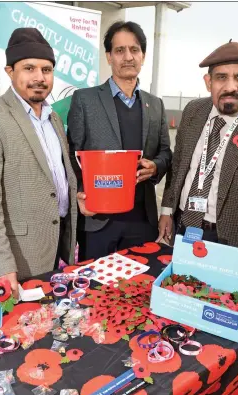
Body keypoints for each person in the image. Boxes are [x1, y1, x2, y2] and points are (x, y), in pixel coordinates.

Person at [158, 40, 238, 302]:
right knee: (181, 299)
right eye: (221, 78)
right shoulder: (194, 111)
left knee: (218, 309)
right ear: (208, 82)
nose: (230, 86)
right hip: (186, 227)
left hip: (229, 240)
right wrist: (167, 210)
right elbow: (179, 164)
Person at [68, 21, 172, 261]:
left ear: (143, 56)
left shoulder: (155, 104)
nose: (128, 57)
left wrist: (156, 166)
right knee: (94, 290)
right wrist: (81, 194)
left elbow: (166, 152)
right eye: (119, 50)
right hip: (98, 220)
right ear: (108, 57)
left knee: (137, 290)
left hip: (142, 220)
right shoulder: (85, 100)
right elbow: (73, 154)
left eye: (134, 50)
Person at [0, 28, 77, 298]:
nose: (39, 77)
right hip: (16, 260)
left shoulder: (53, 118)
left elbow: (54, 177)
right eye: (29, 68)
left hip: (52, 252)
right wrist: (2, 264)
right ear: (9, 71)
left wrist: (75, 199)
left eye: (47, 69)